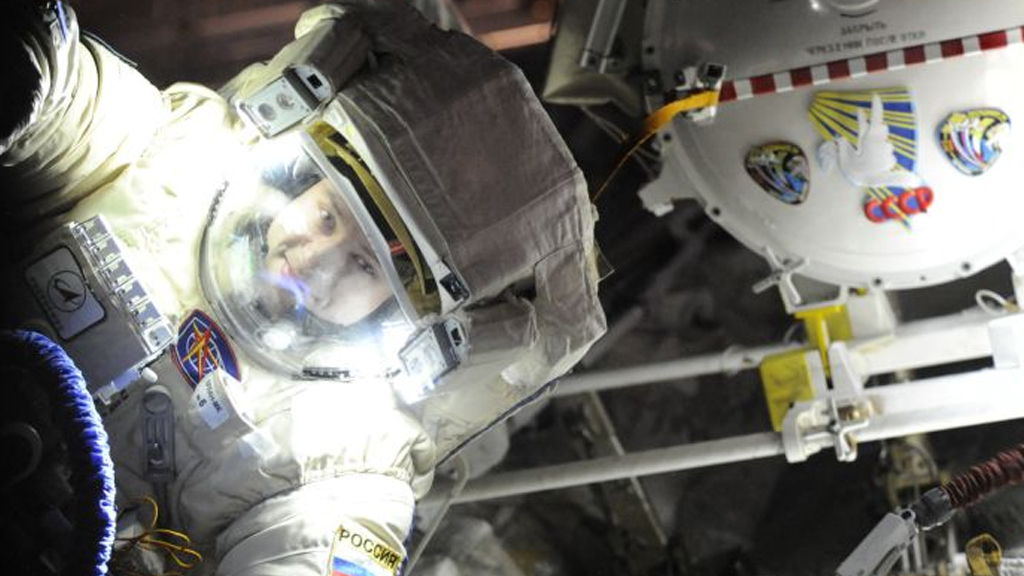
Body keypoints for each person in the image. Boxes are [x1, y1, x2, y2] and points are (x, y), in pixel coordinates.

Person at [0, 1, 607, 576]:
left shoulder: (353, 461)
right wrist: (32, 66)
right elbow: (78, 108)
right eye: (327, 215)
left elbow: (311, 551)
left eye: (365, 266)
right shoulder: (186, 155)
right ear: (303, 176)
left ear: (408, 315)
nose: (314, 261)